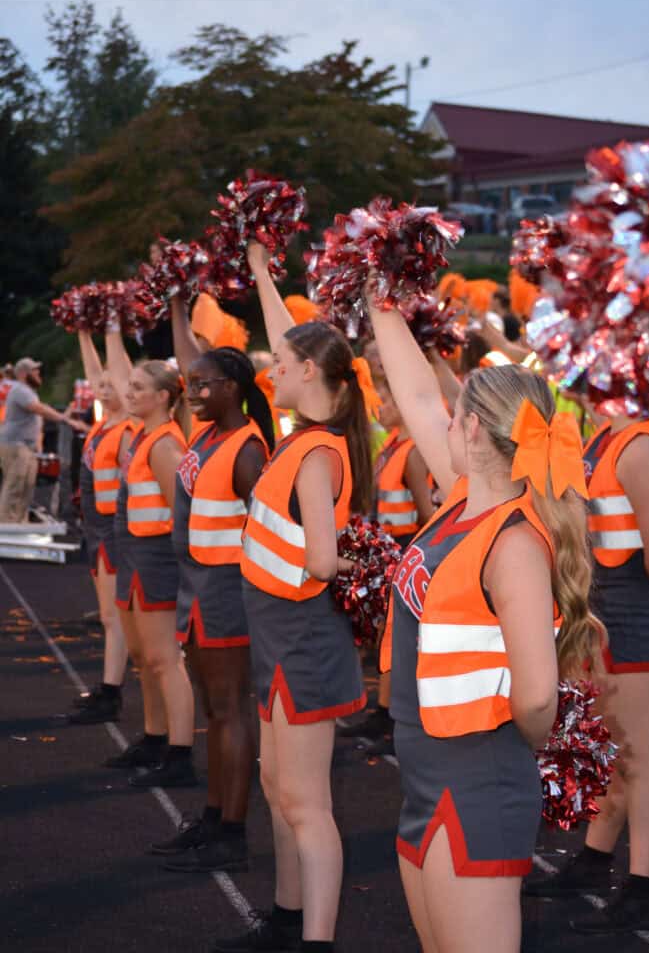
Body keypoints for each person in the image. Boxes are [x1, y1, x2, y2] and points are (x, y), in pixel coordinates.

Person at [368, 287, 600, 953]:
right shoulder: (465, 499)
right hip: (426, 771)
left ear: (472, 430)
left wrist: (513, 743)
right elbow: (415, 396)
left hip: (475, 778)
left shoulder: (515, 544)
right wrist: (379, 299)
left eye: (452, 418)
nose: (437, 422)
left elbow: (534, 698)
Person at [211, 240, 372, 953]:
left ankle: (316, 938)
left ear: (308, 373)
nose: (269, 370)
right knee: (279, 790)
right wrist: (258, 268)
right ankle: (284, 915)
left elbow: (321, 559)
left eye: (281, 365)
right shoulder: (300, 434)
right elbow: (289, 335)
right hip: (278, 632)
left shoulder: (315, 451)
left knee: (306, 804)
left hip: (302, 636)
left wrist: (362, 563)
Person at [531, 412, 649, 935]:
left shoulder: (639, 446)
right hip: (603, 612)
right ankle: (594, 861)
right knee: (615, 751)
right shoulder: (608, 436)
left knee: (638, 756)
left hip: (629, 614)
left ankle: (644, 890)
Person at [147, 296, 273, 871]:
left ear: (232, 389)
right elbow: (193, 355)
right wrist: (177, 307)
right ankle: (215, 814)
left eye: (202, 386)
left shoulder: (247, 448)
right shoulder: (207, 437)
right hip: (200, 589)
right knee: (216, 711)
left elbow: (272, 532)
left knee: (230, 710)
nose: (192, 392)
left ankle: (232, 831)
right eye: (188, 384)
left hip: (227, 592)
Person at [111, 356, 196, 789]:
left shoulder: (165, 444)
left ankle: (180, 753)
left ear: (164, 396)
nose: (129, 394)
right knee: (144, 659)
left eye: (139, 388)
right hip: (133, 553)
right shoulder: (143, 438)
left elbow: (182, 513)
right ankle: (153, 737)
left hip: (156, 556)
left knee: (165, 659)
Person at [338, 378, 434, 756]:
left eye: (389, 402)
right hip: (387, 549)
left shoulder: (412, 452)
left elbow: (426, 513)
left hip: (406, 547)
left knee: (401, 638)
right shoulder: (390, 447)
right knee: (385, 635)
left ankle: (398, 717)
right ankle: (384, 711)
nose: (381, 407)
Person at [68, 330, 133, 725]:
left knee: (113, 617)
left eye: (113, 386)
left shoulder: (125, 429)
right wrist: (83, 332)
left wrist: (112, 327)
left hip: (112, 528)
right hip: (96, 527)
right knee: (109, 616)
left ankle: (111, 692)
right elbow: (95, 373)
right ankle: (108, 687)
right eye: (101, 386)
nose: (103, 389)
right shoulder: (105, 423)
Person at [0, 357, 87, 522]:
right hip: (16, 445)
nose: (39, 373)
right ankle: (6, 524)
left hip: (25, 447)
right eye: (35, 370)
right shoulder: (21, 390)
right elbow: (39, 409)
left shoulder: (28, 391)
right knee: (14, 486)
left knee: (25, 487)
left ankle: (18, 523)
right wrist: (64, 419)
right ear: (24, 374)